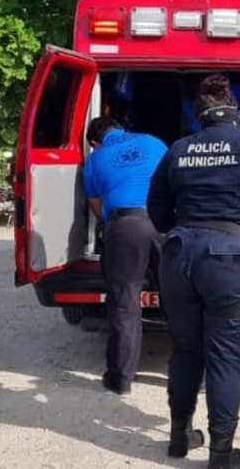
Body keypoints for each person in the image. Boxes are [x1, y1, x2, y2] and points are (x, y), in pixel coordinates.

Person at [147, 74, 240, 468]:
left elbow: (159, 214)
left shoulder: (177, 149)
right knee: (225, 359)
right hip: (233, 261)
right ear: (234, 112)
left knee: (185, 349)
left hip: (179, 256)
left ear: (200, 114)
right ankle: (220, 453)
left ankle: (179, 437)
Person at [82, 115, 168, 395]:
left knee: (124, 304)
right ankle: (196, 376)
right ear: (121, 129)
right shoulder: (153, 142)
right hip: (162, 222)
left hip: (125, 224)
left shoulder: (95, 159)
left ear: (95, 142)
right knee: (180, 297)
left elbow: (97, 207)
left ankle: (121, 379)